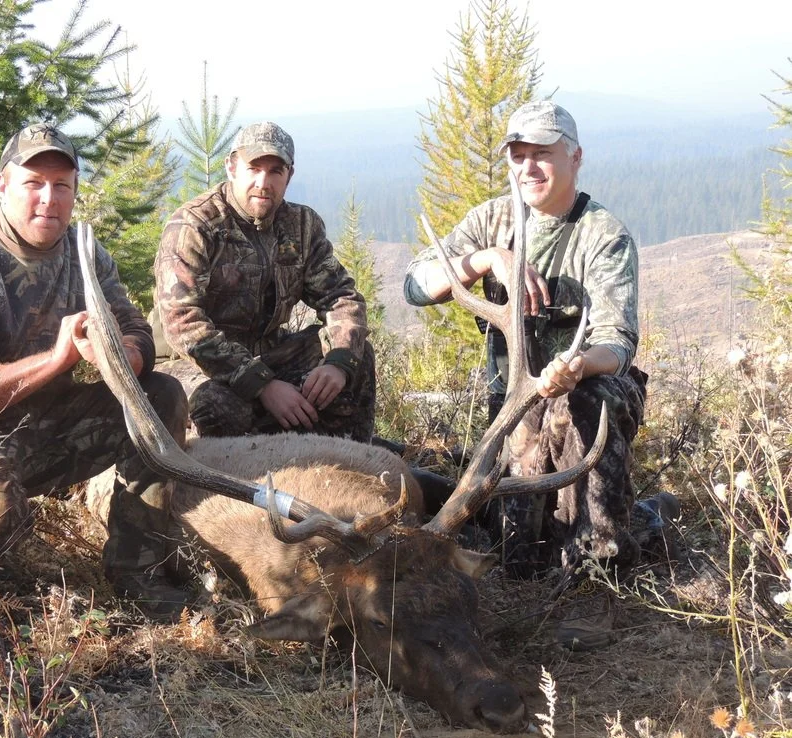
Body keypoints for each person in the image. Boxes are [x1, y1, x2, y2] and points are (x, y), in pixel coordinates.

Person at [0, 123, 189, 617]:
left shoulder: (84, 252)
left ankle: (138, 571)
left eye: (62, 185)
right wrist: (59, 358)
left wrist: (123, 355)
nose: (49, 198)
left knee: (161, 396)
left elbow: (135, 327)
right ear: (3, 187)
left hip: (45, 420)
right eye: (33, 183)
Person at [404, 100, 648, 588]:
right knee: (518, 558)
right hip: (512, 411)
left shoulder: (603, 236)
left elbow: (618, 344)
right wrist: (488, 260)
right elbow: (415, 286)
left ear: (575, 158)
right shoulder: (492, 221)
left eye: (542, 154)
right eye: (518, 155)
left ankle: (600, 577)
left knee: (581, 402)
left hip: (584, 394)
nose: (528, 167)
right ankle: (645, 517)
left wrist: (579, 366)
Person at [153, 121, 375, 442]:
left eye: (275, 171)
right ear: (231, 167)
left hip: (271, 356)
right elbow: (182, 324)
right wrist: (262, 384)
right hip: (193, 366)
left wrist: (338, 364)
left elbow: (341, 297)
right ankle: (249, 477)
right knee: (214, 408)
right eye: (253, 168)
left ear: (289, 176)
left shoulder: (300, 225)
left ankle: (344, 459)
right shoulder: (195, 225)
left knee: (357, 355)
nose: (263, 182)